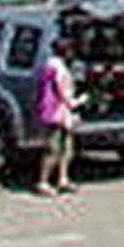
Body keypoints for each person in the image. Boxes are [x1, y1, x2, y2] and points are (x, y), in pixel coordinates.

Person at [36, 38, 79, 196]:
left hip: (60, 112)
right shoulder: (56, 68)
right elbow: (61, 91)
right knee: (53, 148)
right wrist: (75, 103)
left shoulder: (51, 65)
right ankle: (43, 181)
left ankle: (63, 178)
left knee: (67, 146)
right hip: (55, 111)